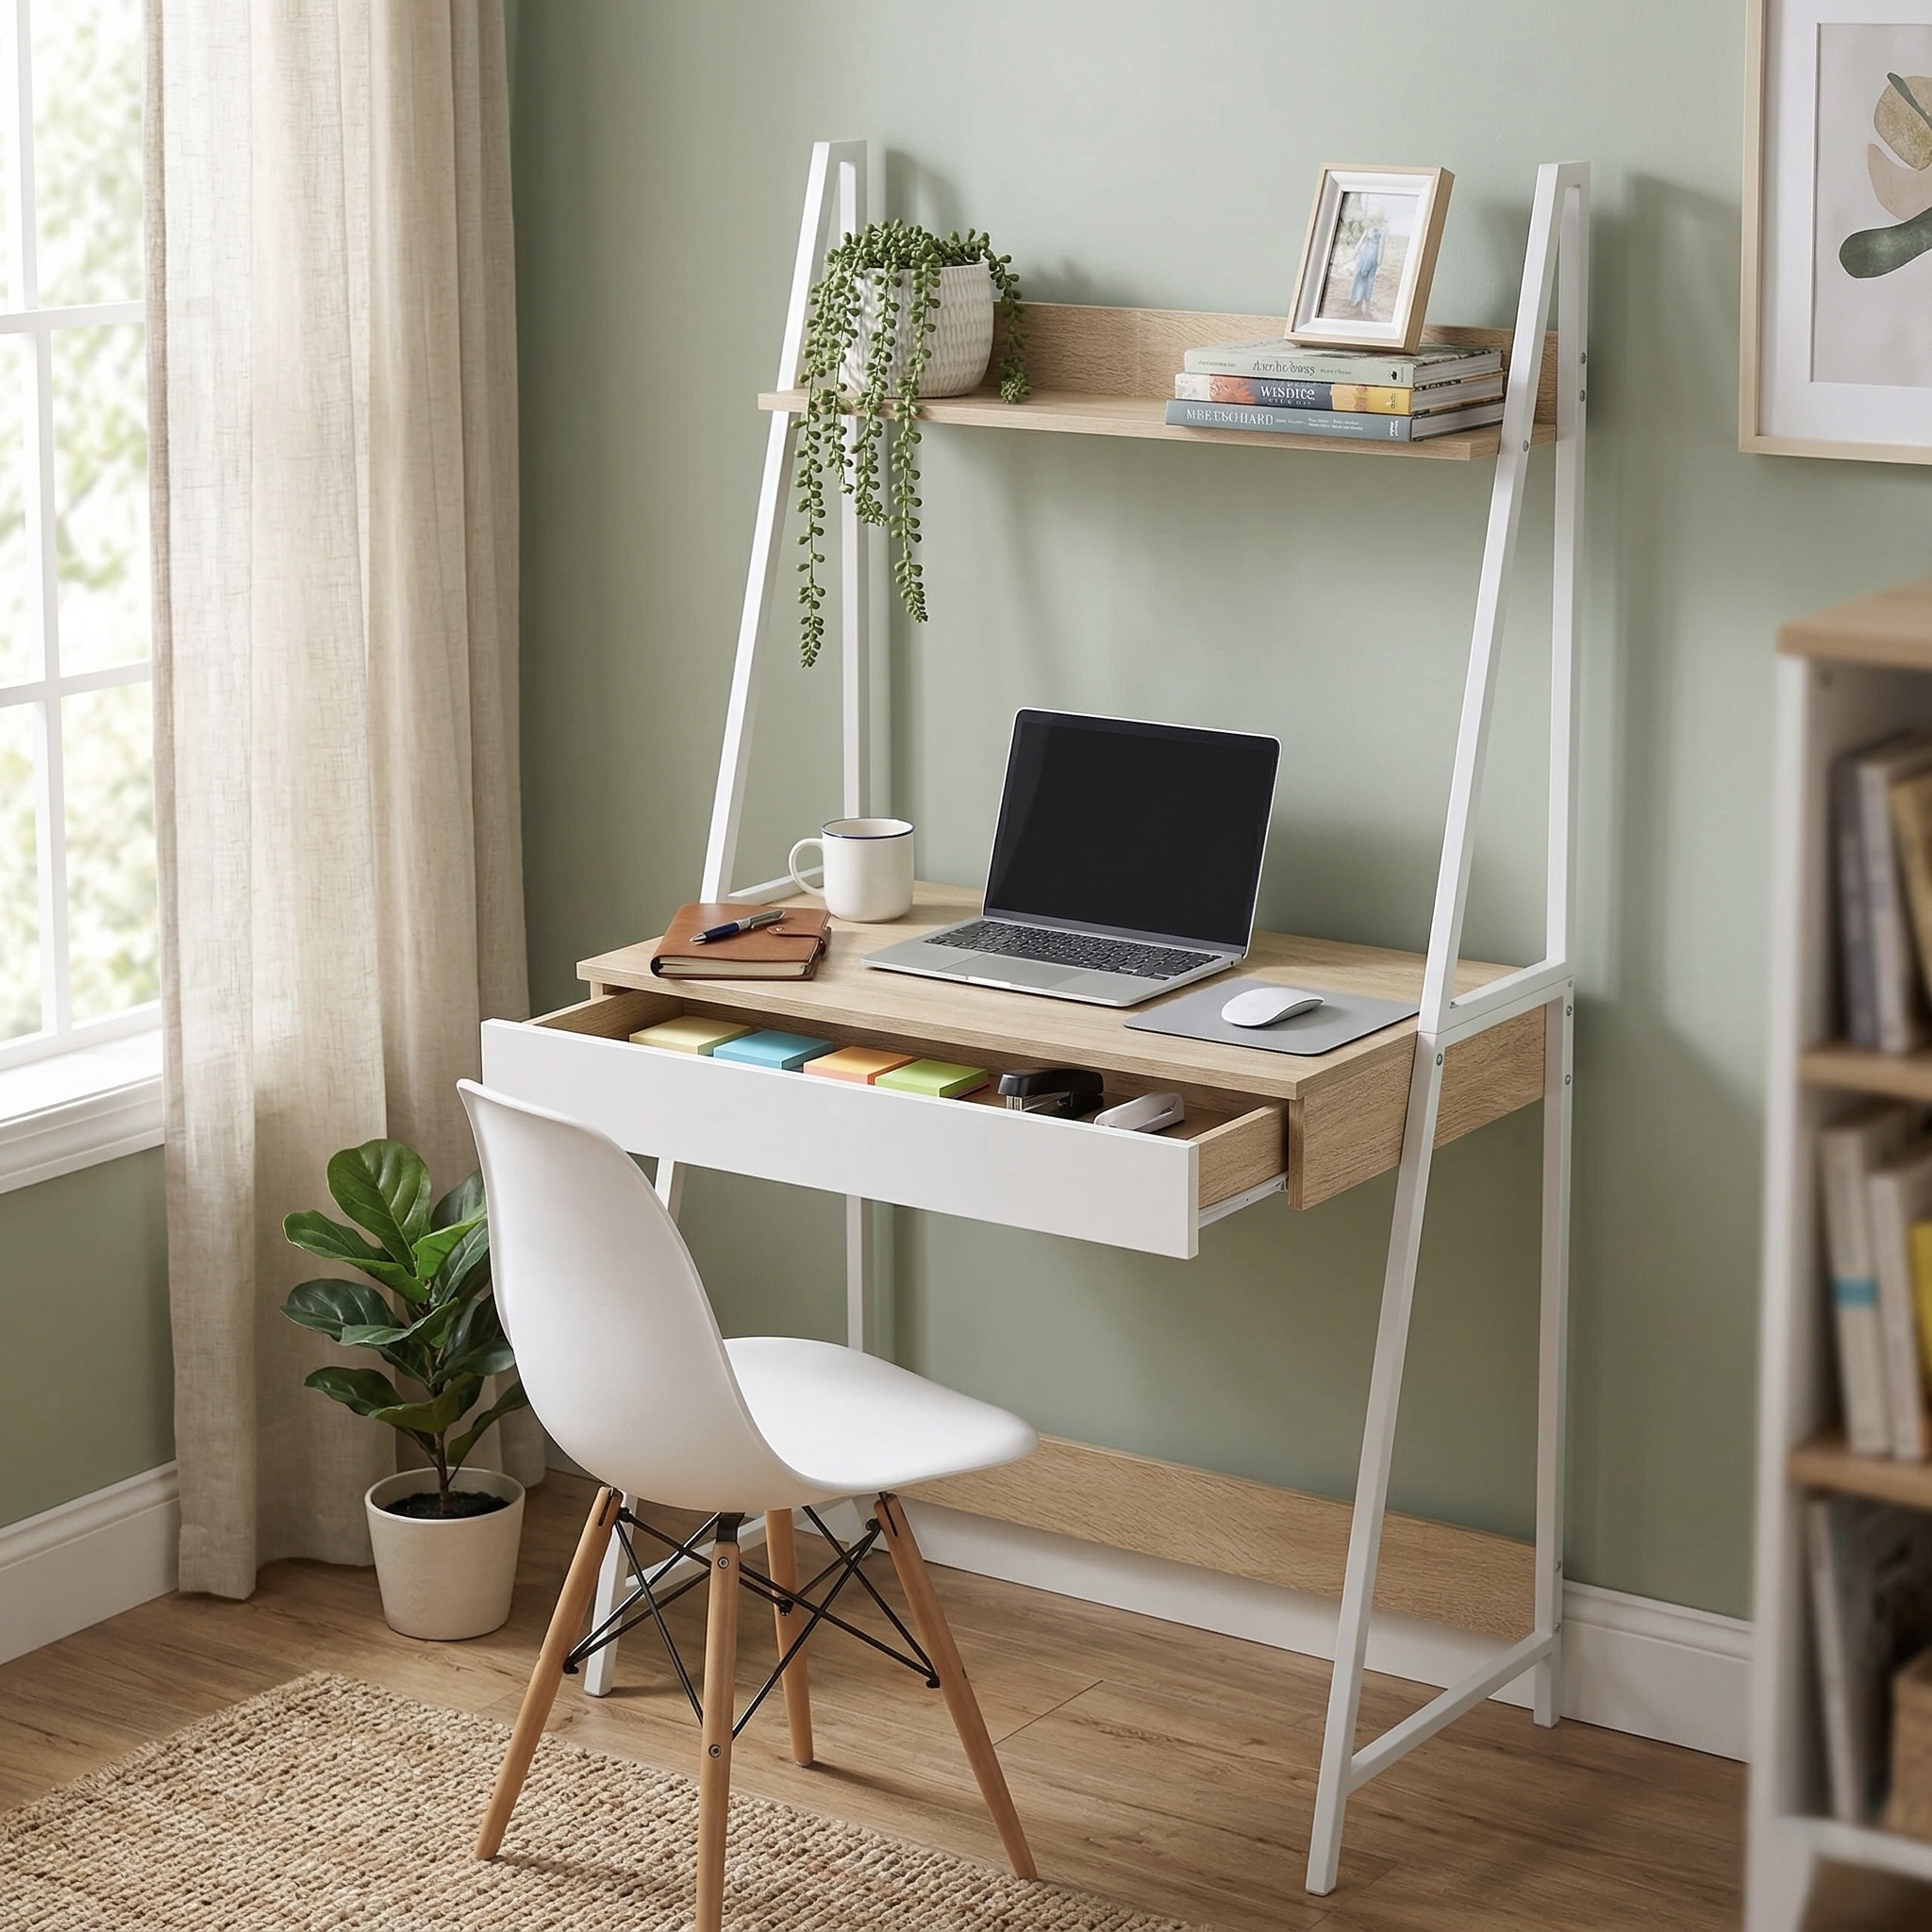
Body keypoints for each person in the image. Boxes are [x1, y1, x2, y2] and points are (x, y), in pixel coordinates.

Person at [1348, 221, 1385, 316]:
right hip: (1363, 260)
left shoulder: (1379, 235)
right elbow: (1360, 244)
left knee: (1368, 282)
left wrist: (1379, 263)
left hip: (1372, 262)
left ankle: (1364, 303)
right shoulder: (1368, 235)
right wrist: (1355, 254)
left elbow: (1381, 249)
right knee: (1359, 279)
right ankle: (1357, 299)